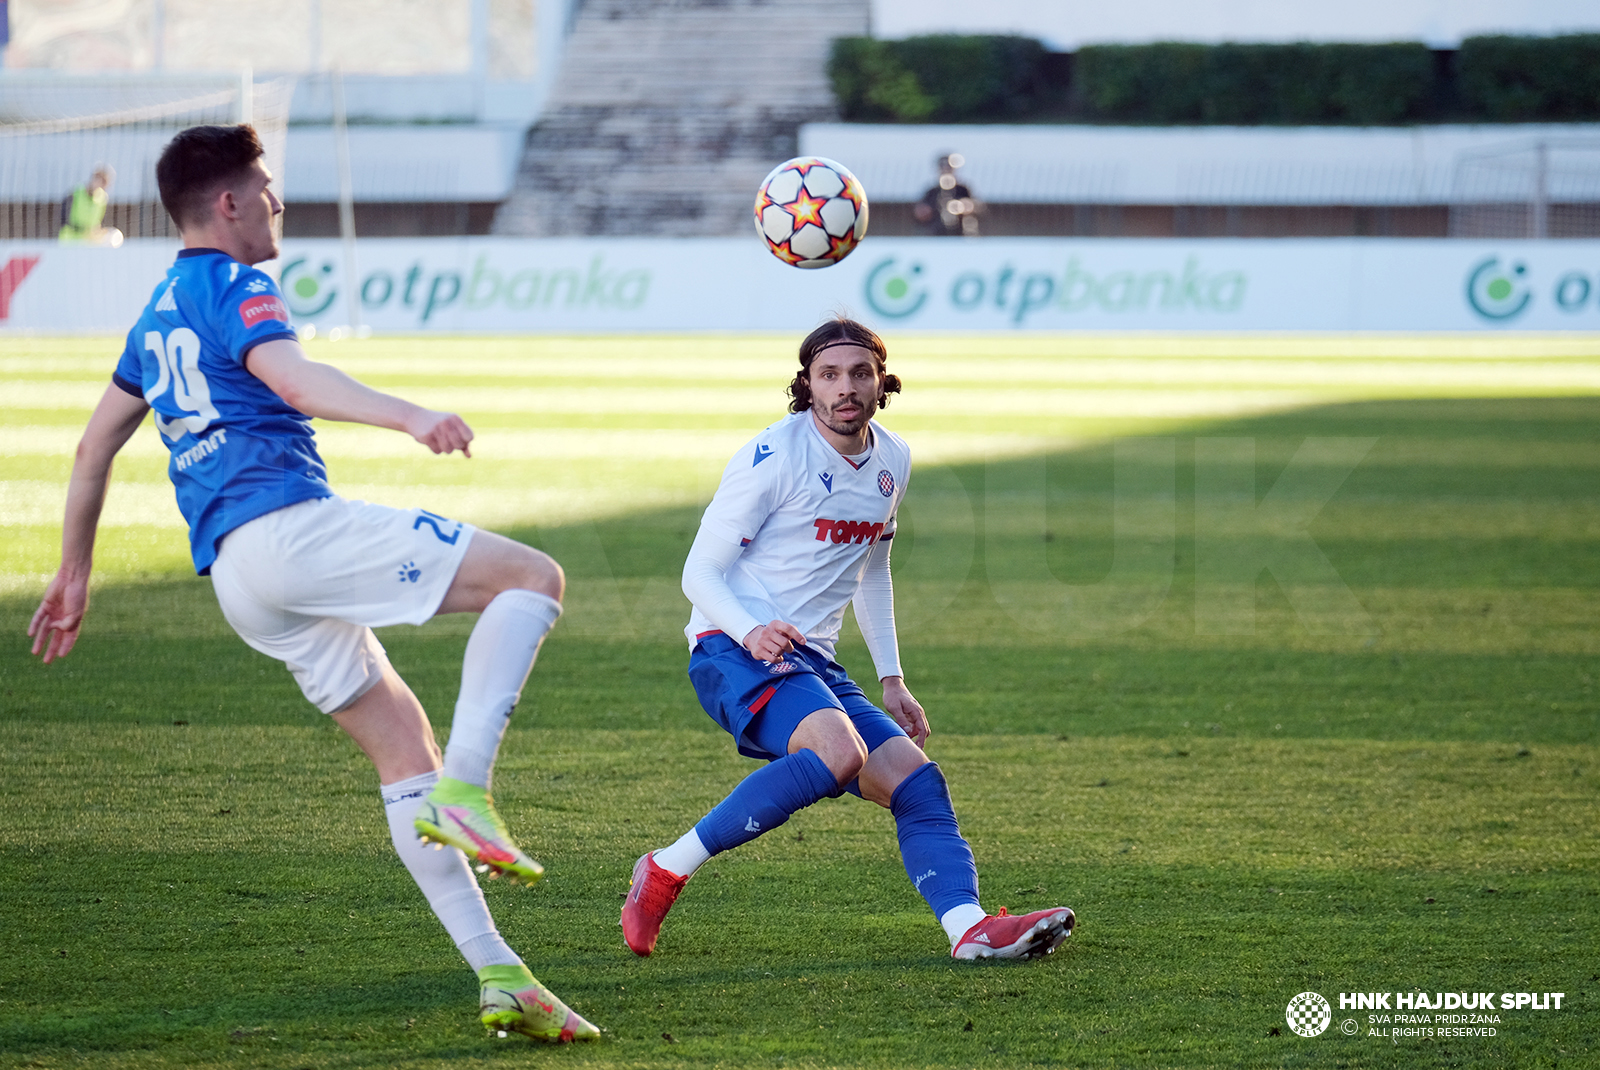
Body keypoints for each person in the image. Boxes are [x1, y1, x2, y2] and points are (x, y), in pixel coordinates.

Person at [26, 124, 598, 1044]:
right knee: (532, 577)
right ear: (228, 203)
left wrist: (74, 575)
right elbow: (290, 378)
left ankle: (502, 976)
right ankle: (472, 788)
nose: (276, 202)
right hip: (289, 528)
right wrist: (409, 415)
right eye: (265, 187)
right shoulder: (236, 283)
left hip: (240, 580)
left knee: (400, 745)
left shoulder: (159, 307)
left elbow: (96, 446)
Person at [620, 317, 1074, 961]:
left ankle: (968, 929)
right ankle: (665, 869)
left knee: (917, 784)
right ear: (806, 385)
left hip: (812, 661)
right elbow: (699, 571)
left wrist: (891, 676)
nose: (845, 388)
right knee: (840, 752)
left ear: (881, 381)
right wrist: (751, 629)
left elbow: (873, 567)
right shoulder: (773, 457)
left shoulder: (893, 459)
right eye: (829, 375)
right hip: (731, 644)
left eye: (860, 373)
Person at [912, 154, 981, 237]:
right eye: (942, 166)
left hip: (962, 236)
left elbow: (979, 209)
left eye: (949, 166)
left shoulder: (963, 190)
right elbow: (919, 214)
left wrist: (967, 207)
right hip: (937, 236)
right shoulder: (932, 192)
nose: (945, 169)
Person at [58, 165, 124, 246]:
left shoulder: (102, 199)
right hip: (70, 241)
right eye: (100, 181)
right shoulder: (76, 193)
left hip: (88, 243)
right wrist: (81, 229)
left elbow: (98, 223)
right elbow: (64, 218)